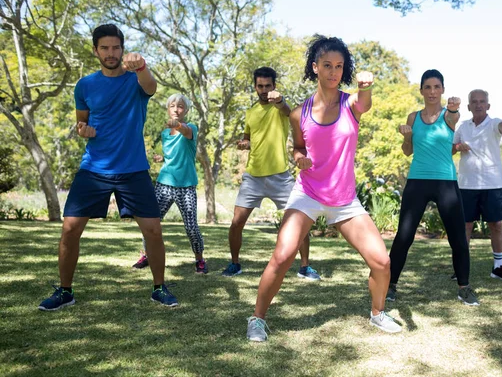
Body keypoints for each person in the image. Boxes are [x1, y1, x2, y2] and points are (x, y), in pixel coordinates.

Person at [246, 35, 402, 342]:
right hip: (308, 193)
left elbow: (365, 102)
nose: (333, 71)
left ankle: (377, 313)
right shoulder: (298, 112)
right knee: (283, 254)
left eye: (339, 66)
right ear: (315, 67)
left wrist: (365, 86)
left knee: (382, 262)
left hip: (343, 199)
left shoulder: (352, 104)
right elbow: (299, 147)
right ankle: (257, 318)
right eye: (327, 65)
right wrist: (300, 157)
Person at [38, 24, 178, 311]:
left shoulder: (135, 80)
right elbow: (82, 123)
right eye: (105, 48)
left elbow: (151, 87)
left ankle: (159, 287)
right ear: (96, 51)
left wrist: (141, 66)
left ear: (123, 49)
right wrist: (83, 130)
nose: (111, 53)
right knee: (69, 229)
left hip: (133, 168)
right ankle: (65, 291)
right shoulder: (85, 85)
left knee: (153, 230)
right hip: (94, 168)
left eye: (116, 47)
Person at [387, 69, 479, 306]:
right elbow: (408, 151)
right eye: (427, 87)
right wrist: (407, 136)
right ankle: (389, 285)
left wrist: (454, 107)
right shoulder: (412, 117)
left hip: (445, 182)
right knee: (404, 236)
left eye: (436, 87)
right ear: (421, 91)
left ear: (442, 90)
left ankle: (464, 288)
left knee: (458, 237)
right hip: (417, 180)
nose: (432, 91)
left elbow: (454, 116)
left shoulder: (448, 116)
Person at [224, 67, 319, 281]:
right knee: (237, 222)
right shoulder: (250, 112)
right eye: (260, 86)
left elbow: (289, 112)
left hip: (280, 176)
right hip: (253, 176)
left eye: (268, 86)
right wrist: (244, 143)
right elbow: (248, 136)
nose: (264, 90)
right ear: (255, 87)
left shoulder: (281, 108)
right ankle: (234, 264)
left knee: (300, 219)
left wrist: (280, 100)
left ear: (274, 86)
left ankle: (305, 267)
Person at [132, 93, 207, 274]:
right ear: (168, 108)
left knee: (191, 226)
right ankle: (147, 255)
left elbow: (185, 132)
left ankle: (200, 260)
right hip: (164, 184)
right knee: (150, 223)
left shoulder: (191, 129)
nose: (176, 109)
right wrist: (162, 158)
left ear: (186, 110)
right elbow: (173, 155)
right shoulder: (165, 133)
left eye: (180, 106)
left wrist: (178, 125)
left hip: (186, 185)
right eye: (172, 105)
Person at [452, 89, 502, 281]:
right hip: (467, 185)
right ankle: (461, 267)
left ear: (488, 106)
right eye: (475, 102)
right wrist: (457, 147)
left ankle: (498, 267)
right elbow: (450, 149)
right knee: (465, 226)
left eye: (482, 102)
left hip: (492, 183)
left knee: (496, 225)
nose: (479, 104)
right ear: (469, 106)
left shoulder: (493, 124)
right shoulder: (463, 127)